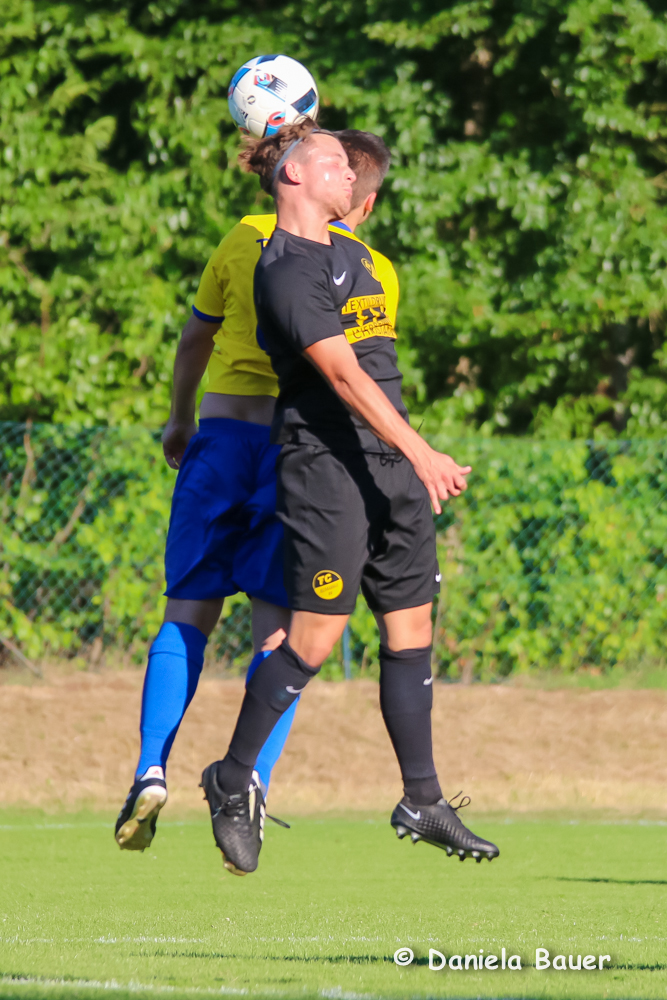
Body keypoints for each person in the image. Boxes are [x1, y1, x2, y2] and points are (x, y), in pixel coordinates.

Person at [200, 119, 500, 875]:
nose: (349, 173)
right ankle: (232, 777)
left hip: (391, 465)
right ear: (294, 176)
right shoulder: (281, 269)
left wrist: (407, 459)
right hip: (327, 470)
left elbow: (378, 366)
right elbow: (341, 376)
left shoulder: (357, 256)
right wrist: (423, 451)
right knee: (313, 641)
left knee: (411, 629)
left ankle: (421, 799)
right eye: (334, 162)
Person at [114, 128, 402, 865]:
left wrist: (179, 419)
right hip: (293, 455)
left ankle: (150, 768)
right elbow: (356, 376)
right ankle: (250, 784)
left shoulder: (240, 241)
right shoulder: (372, 270)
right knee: (280, 632)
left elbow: (194, 340)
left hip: (220, 439)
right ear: (361, 202)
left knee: (187, 613)